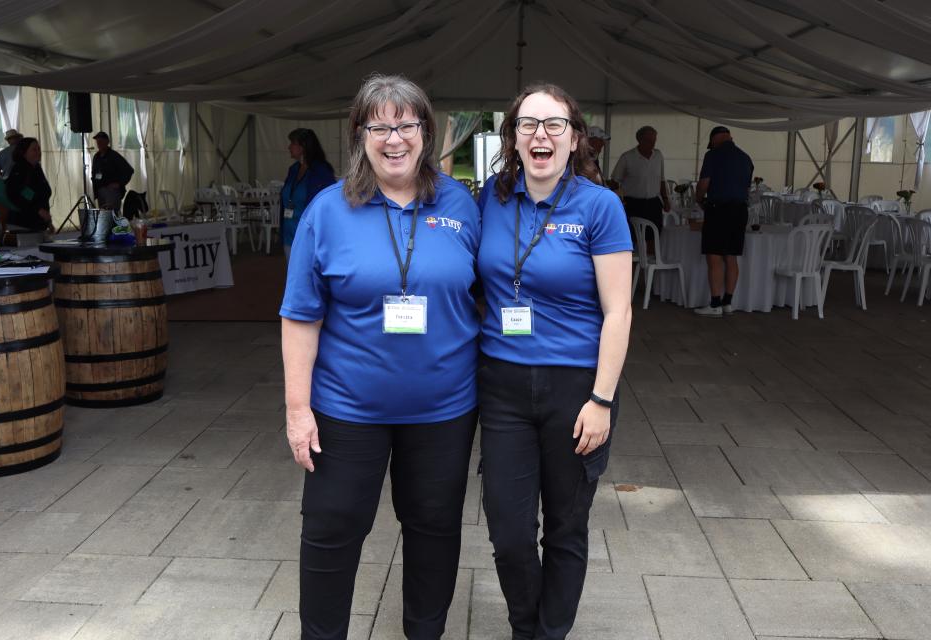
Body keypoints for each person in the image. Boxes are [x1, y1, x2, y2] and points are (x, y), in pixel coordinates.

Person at [280, 74, 481, 640]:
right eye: (380, 126)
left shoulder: (462, 205)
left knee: (435, 530)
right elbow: (300, 316)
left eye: (406, 124)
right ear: (359, 135)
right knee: (330, 529)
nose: (394, 138)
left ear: (426, 131)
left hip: (444, 410)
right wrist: (299, 411)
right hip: (347, 411)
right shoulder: (328, 210)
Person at [476, 84, 633, 640]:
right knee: (510, 530)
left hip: (575, 390)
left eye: (554, 124)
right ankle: (526, 625)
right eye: (527, 124)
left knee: (565, 527)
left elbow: (619, 312)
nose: (540, 134)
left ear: (574, 138)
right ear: (512, 138)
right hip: (502, 388)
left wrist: (602, 399)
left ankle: (546, 634)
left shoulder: (599, 205)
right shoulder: (488, 202)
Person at [693, 125, 754, 317]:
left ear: (714, 140)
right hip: (739, 210)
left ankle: (715, 304)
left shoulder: (713, 155)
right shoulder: (745, 158)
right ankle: (728, 302)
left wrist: (699, 198)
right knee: (731, 256)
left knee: (714, 256)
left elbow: (704, 184)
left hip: (718, 210)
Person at [280, 128, 335, 260]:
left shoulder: (321, 171)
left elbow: (329, 204)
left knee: (311, 278)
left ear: (303, 146)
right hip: (289, 233)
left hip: (310, 236)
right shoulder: (293, 170)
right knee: (293, 276)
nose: (289, 147)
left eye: (292, 143)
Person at [610, 125, 671, 234]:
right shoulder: (627, 157)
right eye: (648, 140)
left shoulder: (658, 156)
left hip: (654, 203)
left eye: (654, 140)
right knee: (632, 237)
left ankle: (652, 252)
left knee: (654, 236)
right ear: (639, 140)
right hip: (633, 204)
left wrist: (666, 200)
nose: (652, 143)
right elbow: (615, 181)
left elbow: (662, 180)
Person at [4, 137, 52, 231]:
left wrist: (48, 222)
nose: (38, 152)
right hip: (22, 224)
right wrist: (38, 210)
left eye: (39, 149)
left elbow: (41, 195)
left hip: (37, 225)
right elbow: (16, 195)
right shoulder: (19, 170)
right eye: (34, 149)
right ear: (24, 153)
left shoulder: (36, 168)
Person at [91, 131, 134, 211]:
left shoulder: (114, 156)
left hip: (112, 192)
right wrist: (96, 190)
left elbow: (129, 170)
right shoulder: (96, 157)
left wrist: (119, 184)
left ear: (107, 142)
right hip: (100, 191)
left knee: (111, 217)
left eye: (101, 141)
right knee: (104, 217)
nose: (98, 143)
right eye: (97, 141)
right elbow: (94, 173)